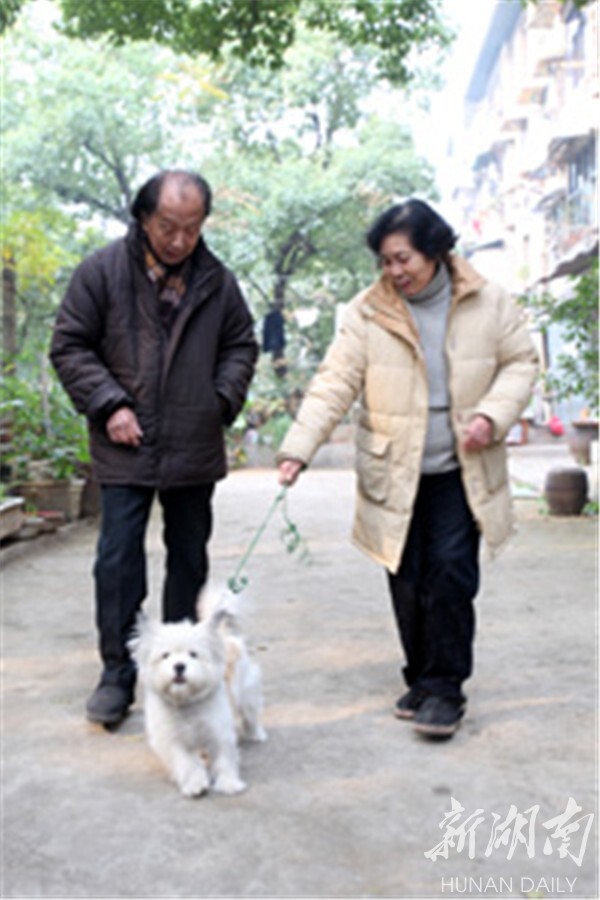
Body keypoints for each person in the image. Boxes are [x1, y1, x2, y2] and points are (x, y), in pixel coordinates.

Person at [277, 199, 539, 739]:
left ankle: (445, 688)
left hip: (460, 467)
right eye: (386, 261)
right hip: (393, 468)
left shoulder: (489, 301)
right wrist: (298, 448)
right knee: (407, 579)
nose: (394, 271)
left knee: (450, 574)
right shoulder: (367, 311)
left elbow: (520, 362)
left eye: (404, 259)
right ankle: (421, 677)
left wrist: (491, 415)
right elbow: (335, 381)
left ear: (435, 250)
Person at [50, 169, 258, 726]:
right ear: (143, 217)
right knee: (117, 561)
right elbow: (69, 345)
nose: (179, 240)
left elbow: (241, 345)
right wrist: (109, 404)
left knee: (188, 557)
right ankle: (118, 674)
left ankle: (185, 671)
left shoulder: (217, 281)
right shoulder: (101, 272)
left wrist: (218, 400)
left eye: (192, 228)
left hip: (193, 440)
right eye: (168, 226)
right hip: (125, 440)